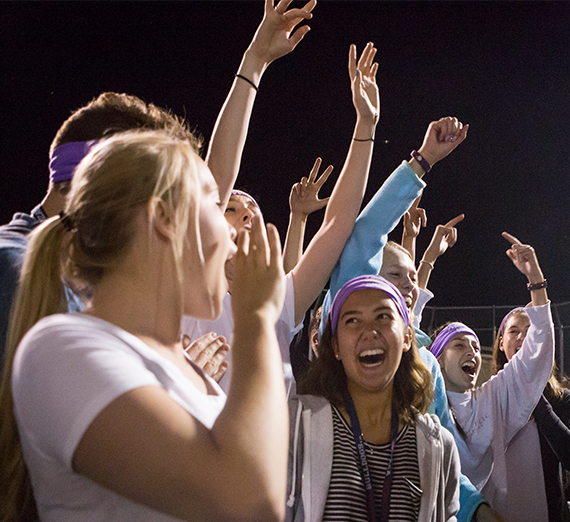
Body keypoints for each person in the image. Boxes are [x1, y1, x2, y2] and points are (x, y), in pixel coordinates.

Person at [0, 130, 290, 522]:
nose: (236, 231)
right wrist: (256, 317)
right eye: (216, 202)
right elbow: (248, 502)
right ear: (165, 218)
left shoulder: (190, 367)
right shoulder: (60, 349)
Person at [182, 40, 380, 396]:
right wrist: (254, 61)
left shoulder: (279, 304)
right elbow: (213, 181)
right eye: (232, 208)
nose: (247, 215)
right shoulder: (186, 296)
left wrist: (365, 125)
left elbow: (337, 225)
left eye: (254, 212)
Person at [287, 275, 461, 522]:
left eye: (383, 316)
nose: (369, 331)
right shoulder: (296, 427)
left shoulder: (438, 446)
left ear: (407, 337)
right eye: (352, 320)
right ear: (335, 346)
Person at [429, 232, 555, 522]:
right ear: (436, 358)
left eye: (475, 346)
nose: (472, 352)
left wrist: (535, 279)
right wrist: (427, 262)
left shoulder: (492, 396)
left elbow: (536, 353)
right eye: (459, 345)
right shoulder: (425, 403)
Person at [491, 307, 570, 521]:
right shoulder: (488, 399)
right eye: (513, 331)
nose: (522, 337)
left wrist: (534, 396)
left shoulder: (563, 400)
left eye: (530, 331)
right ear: (501, 343)